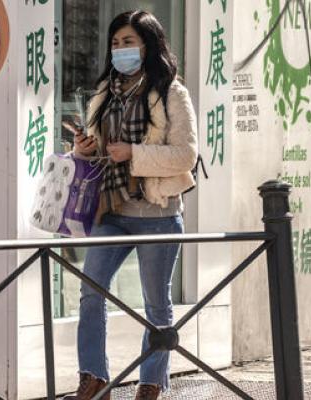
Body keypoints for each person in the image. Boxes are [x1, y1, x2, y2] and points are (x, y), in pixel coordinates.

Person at [62, 10, 198, 400]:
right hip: (112, 210)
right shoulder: (104, 94)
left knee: (156, 304)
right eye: (115, 43)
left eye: (129, 42)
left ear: (147, 45)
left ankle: (151, 384)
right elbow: (97, 153)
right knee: (91, 290)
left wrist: (134, 153)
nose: (120, 50)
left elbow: (186, 155)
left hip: (158, 213)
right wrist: (83, 149)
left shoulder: (172, 92)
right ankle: (94, 378)